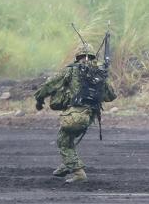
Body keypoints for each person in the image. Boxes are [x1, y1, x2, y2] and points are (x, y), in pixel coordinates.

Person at [33, 43, 117, 183]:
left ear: (77, 57)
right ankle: (67, 164)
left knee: (63, 142)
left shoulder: (71, 70)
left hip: (75, 114)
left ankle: (78, 173)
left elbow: (50, 84)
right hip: (90, 115)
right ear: (92, 57)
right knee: (67, 138)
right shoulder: (98, 73)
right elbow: (111, 95)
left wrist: (39, 98)